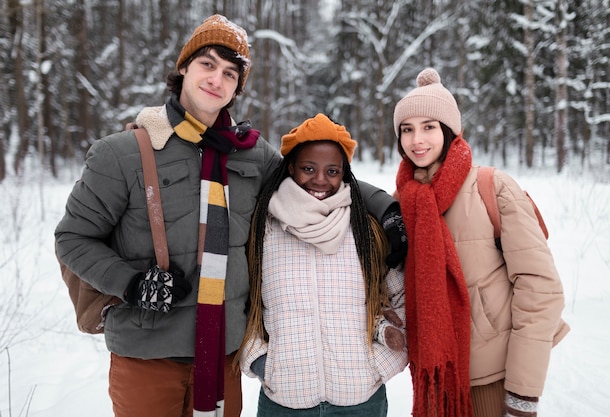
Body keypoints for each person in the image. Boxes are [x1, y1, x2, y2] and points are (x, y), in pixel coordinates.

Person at [54, 16, 407, 417]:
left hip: (224, 358)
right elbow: (73, 238)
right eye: (207, 64)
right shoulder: (123, 153)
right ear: (184, 67)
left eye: (230, 73)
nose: (216, 80)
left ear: (238, 87)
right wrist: (133, 284)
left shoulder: (251, 156)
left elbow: (317, 181)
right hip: (147, 357)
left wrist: (386, 209)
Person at [391, 68, 570, 417]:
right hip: (436, 383)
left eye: (429, 127)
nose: (417, 140)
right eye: (407, 130)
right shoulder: (401, 202)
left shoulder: (493, 187)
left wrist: (522, 393)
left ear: (449, 130)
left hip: (494, 381)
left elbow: (540, 289)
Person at [237, 113, 408, 416]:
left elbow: (402, 296)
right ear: (290, 168)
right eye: (308, 168)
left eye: (332, 170)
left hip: (361, 402)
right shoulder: (264, 230)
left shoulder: (365, 231)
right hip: (284, 403)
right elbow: (240, 300)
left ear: (344, 173)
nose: (320, 179)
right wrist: (262, 362)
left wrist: (379, 366)